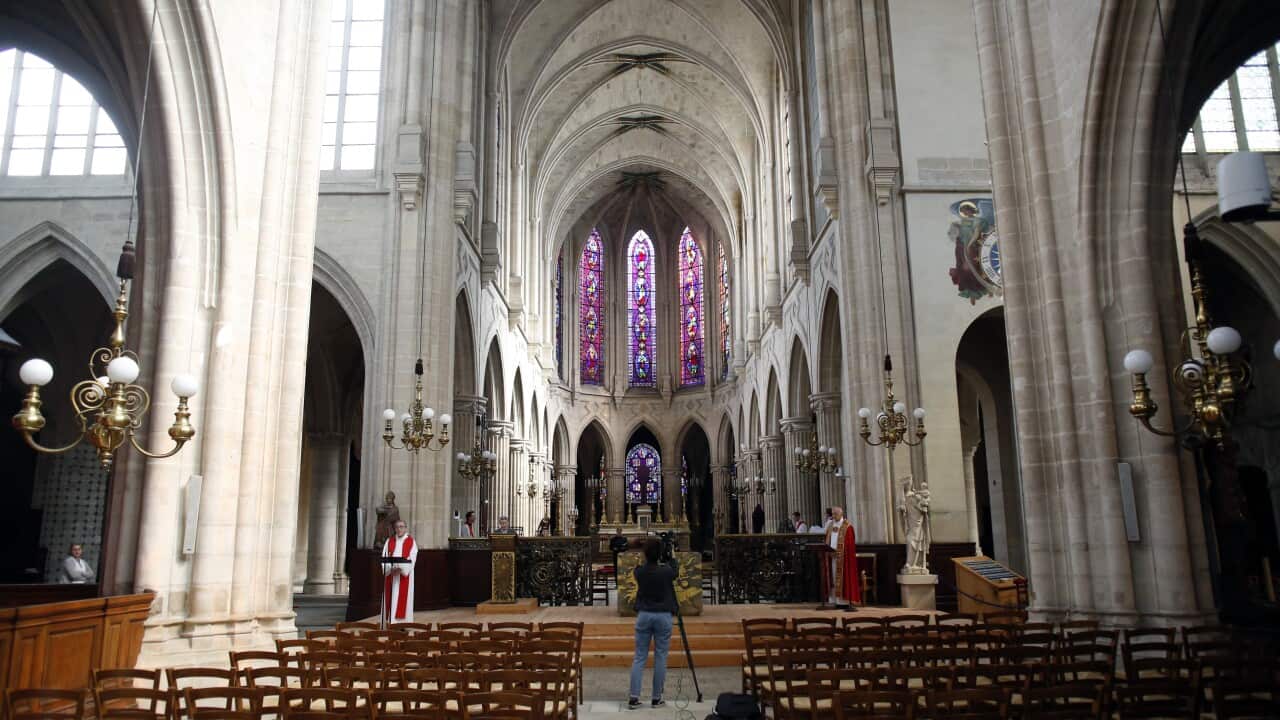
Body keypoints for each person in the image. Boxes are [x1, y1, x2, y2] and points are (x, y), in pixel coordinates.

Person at [627, 537, 676, 709]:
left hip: (644, 615)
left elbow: (641, 566)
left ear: (645, 554)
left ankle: (634, 697)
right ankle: (656, 698)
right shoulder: (666, 572)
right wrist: (670, 555)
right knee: (661, 657)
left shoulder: (639, 572)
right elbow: (674, 570)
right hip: (663, 615)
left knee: (639, 656)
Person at [381, 520, 418, 624]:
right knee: (391, 598)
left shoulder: (411, 541)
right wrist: (390, 569)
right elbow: (384, 556)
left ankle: (402, 624)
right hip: (391, 575)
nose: (399, 529)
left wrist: (401, 568)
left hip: (403, 576)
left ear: (405, 528)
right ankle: (390, 622)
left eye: (401, 527)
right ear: (394, 529)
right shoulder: (389, 541)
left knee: (402, 599)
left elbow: (412, 557)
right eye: (397, 527)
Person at [823, 507, 860, 609]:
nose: (833, 516)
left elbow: (850, 545)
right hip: (832, 556)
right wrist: (829, 551)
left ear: (841, 514)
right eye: (833, 514)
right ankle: (836, 601)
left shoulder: (847, 527)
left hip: (843, 558)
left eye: (835, 514)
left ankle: (844, 601)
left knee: (843, 578)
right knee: (834, 578)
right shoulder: (830, 525)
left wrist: (840, 552)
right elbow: (827, 540)